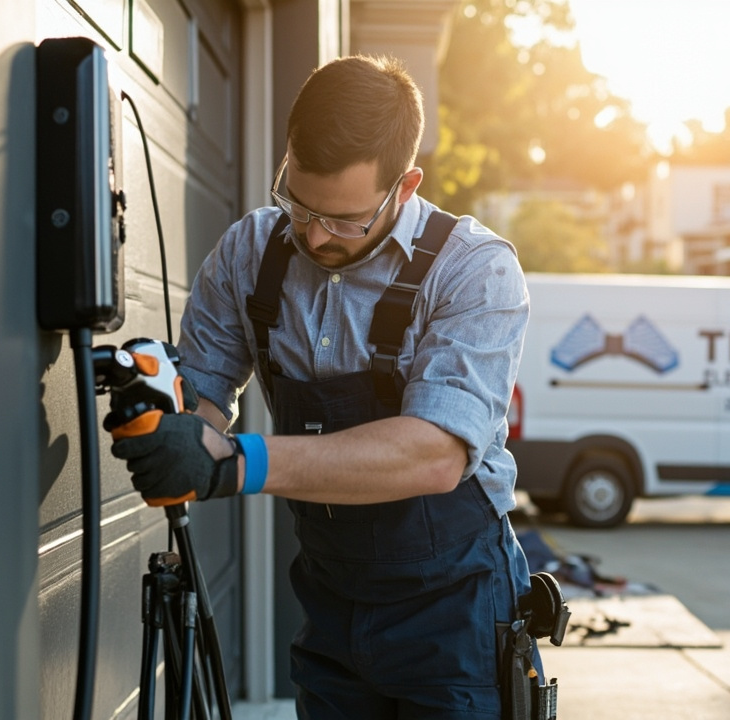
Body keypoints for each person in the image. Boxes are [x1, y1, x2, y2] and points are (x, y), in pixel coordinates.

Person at [110, 54, 536, 719]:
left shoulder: (475, 272)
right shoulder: (250, 252)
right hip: (331, 597)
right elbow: (204, 398)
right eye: (297, 202)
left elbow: (434, 454)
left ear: (405, 186)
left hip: (457, 611)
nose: (312, 234)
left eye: (345, 221)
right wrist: (172, 426)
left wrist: (237, 462)